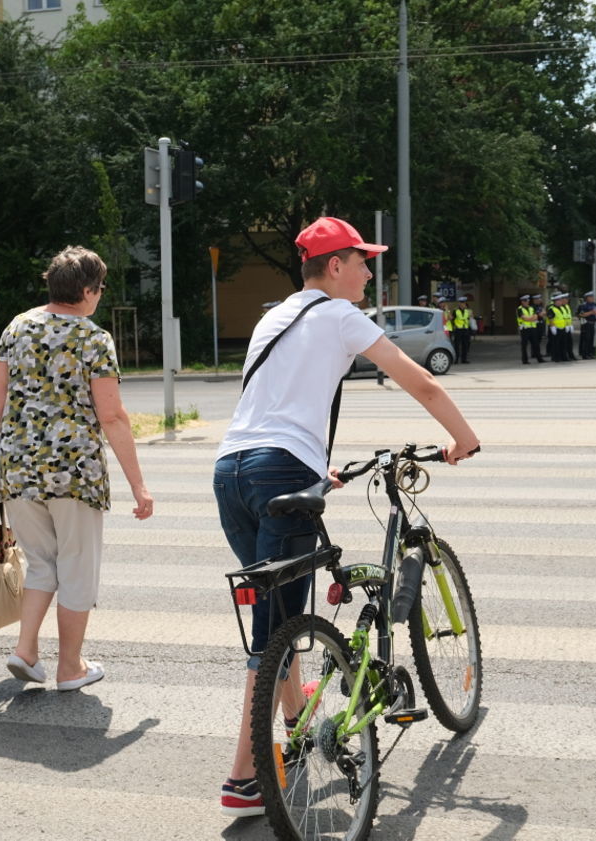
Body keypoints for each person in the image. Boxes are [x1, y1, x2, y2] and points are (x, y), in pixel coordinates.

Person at [213, 216, 479, 818]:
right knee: (270, 634)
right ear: (334, 266)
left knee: (280, 615)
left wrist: (314, 471)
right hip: (278, 470)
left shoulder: (271, 317)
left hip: (231, 470)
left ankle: (292, 723)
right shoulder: (338, 315)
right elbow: (420, 381)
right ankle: (244, 779)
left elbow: (276, 402)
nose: (367, 271)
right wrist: (463, 438)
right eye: (362, 261)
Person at [0, 246, 154, 691]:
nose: (99, 296)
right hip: (74, 472)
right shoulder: (93, 338)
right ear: (85, 290)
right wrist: (139, 486)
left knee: (41, 564)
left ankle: (25, 651)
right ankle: (70, 667)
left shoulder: (16, 327)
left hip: (17, 468)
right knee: (77, 567)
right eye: (99, 288)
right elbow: (111, 416)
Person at [517, 293, 543, 363]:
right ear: (522, 301)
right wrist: (531, 318)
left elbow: (536, 317)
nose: (527, 302)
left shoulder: (531, 308)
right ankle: (525, 360)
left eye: (528, 300)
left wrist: (530, 318)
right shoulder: (520, 309)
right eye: (525, 301)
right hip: (525, 329)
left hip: (533, 328)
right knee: (524, 345)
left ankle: (539, 359)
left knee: (536, 344)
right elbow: (525, 318)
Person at [546, 291, 571, 362]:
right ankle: (556, 357)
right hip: (556, 328)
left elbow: (564, 317)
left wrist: (567, 325)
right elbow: (551, 319)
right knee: (556, 344)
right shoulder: (552, 309)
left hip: (563, 328)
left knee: (563, 343)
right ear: (555, 301)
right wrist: (552, 327)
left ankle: (563, 357)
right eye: (559, 300)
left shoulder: (562, 308)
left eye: (560, 300)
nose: (561, 302)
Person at [576, 290, 596, 359]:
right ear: (587, 298)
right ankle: (585, 354)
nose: (593, 298)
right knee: (586, 339)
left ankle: (590, 353)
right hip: (586, 323)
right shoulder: (583, 305)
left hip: (592, 323)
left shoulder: (594, 304)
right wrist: (591, 313)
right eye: (591, 297)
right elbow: (580, 315)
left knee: (591, 339)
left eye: (593, 297)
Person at [452, 296, 474, 363]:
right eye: (461, 303)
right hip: (458, 330)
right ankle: (456, 359)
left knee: (465, 345)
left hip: (465, 330)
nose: (463, 304)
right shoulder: (455, 311)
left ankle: (464, 359)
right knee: (457, 345)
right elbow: (452, 320)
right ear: (459, 303)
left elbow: (469, 320)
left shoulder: (467, 311)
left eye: (464, 303)